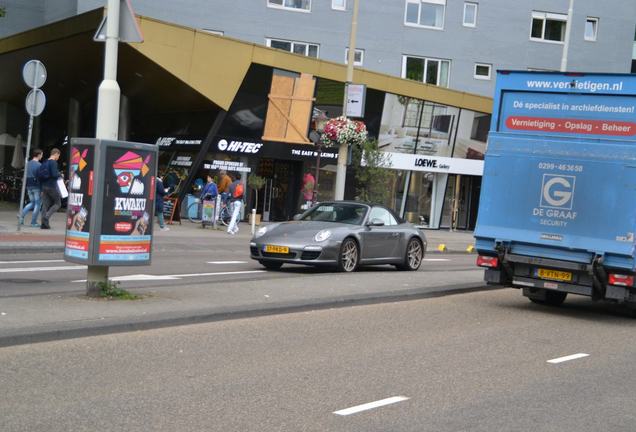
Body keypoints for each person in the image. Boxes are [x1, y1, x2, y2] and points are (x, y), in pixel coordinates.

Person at [18, 149, 43, 227]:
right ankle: (33, 222)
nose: (42, 156)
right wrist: (42, 189)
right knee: (37, 204)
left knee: (32, 203)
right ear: (38, 155)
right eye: (41, 154)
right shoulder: (39, 165)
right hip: (36, 186)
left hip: (29, 186)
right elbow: (40, 177)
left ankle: (21, 216)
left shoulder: (27, 164)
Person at [39, 148, 63, 230]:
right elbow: (54, 174)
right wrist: (60, 174)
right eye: (58, 155)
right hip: (52, 186)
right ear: (56, 154)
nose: (58, 157)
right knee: (58, 203)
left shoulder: (45, 161)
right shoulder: (53, 162)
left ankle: (44, 224)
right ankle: (46, 217)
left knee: (45, 205)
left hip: (44, 186)